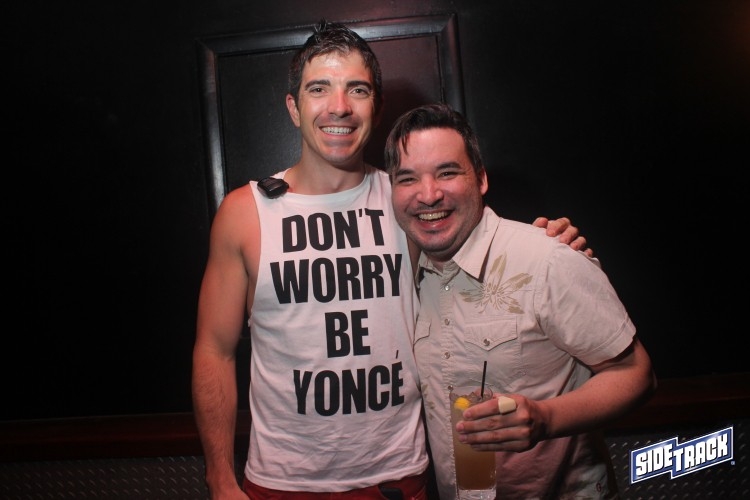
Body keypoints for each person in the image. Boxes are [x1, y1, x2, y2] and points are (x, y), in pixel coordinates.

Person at [192, 21, 588, 499]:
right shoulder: (246, 213)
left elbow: (495, 249)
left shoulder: (409, 202)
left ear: (376, 108)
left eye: (357, 89)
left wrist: (552, 242)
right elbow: (214, 350)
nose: (339, 106)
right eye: (319, 88)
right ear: (294, 107)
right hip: (279, 483)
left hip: (397, 479)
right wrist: (219, 477)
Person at [384, 103, 657, 499]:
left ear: (480, 178)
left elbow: (637, 374)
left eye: (447, 172)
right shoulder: (407, 276)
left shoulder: (547, 260)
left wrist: (546, 418)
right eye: (408, 178)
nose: (428, 195)